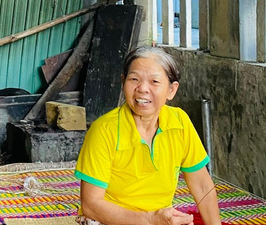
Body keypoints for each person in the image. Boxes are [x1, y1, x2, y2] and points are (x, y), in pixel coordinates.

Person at [75, 46, 221, 225]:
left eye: (154, 81)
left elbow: (202, 186)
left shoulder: (180, 122)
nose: (142, 88)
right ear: (123, 82)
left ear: (171, 90)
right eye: (134, 79)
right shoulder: (104, 130)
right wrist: (151, 220)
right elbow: (91, 205)